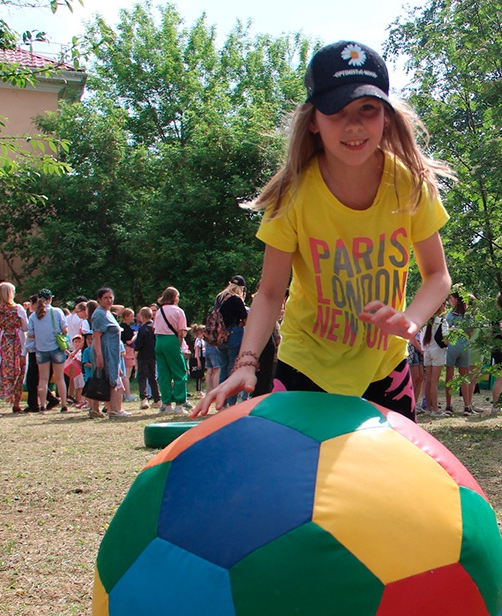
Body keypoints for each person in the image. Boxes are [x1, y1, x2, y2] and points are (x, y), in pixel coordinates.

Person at [192, 40, 452, 421]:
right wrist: (245, 363)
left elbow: (437, 275)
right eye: (336, 111)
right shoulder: (292, 194)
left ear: (386, 117)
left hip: (385, 369)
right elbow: (268, 293)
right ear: (313, 120)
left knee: (385, 482)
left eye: (368, 109)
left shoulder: (409, 184)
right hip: (306, 367)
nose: (354, 125)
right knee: (300, 481)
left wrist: (409, 320)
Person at [25, 288, 69, 414]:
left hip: (41, 349)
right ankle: (64, 404)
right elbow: (65, 330)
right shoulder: (56, 312)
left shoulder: (34, 315)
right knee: (60, 378)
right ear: (50, 299)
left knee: (43, 379)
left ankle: (42, 406)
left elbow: (31, 334)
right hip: (56, 348)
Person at [0, 282, 28, 414]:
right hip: (17, 339)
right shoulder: (18, 308)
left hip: (3, 339)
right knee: (19, 369)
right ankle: (16, 403)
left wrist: (2, 332)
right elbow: (26, 327)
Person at [90, 287, 130, 417]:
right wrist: (99, 356)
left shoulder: (107, 313)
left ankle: (96, 410)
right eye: (105, 298)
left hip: (111, 351)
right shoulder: (99, 314)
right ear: (99, 299)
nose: (109, 300)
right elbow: (96, 336)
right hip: (104, 351)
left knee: (105, 378)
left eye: (111, 297)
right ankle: (113, 410)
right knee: (109, 378)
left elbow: (120, 308)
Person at [213, 275, 249, 405]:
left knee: (223, 368)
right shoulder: (236, 300)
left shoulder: (219, 298)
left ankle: (221, 401)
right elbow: (245, 319)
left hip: (220, 337)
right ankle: (231, 401)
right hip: (234, 334)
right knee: (232, 369)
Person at [153, 286, 189, 413]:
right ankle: (179, 404)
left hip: (159, 341)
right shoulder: (178, 311)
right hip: (171, 340)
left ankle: (166, 404)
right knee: (179, 371)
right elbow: (181, 332)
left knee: (163, 374)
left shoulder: (159, 311)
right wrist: (179, 346)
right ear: (175, 298)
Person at [444, 290, 477, 415]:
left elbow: (446, 334)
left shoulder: (449, 316)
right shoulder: (468, 316)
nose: (449, 301)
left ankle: (448, 405)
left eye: (450, 298)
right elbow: (470, 333)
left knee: (449, 376)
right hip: (464, 346)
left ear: (456, 299)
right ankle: (467, 406)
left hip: (452, 347)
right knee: (465, 377)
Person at [422, 302, 449, 416]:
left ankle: (428, 407)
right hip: (437, 352)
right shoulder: (443, 322)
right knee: (434, 382)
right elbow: (446, 341)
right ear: (441, 307)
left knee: (428, 381)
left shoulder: (426, 321)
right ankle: (435, 409)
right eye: (445, 306)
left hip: (427, 352)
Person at [133, 306, 159, 409]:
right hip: (153, 355)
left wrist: (135, 352)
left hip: (143, 356)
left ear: (142, 317)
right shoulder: (154, 328)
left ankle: (144, 399)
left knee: (142, 377)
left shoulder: (142, 329)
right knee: (153, 377)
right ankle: (157, 399)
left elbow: (138, 344)